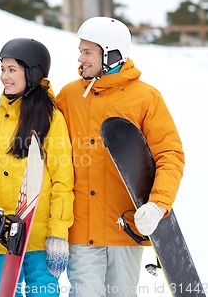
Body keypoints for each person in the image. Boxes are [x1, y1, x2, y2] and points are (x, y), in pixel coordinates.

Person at [55, 17, 185, 297]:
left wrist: (158, 204)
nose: (80, 58)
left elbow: (170, 154)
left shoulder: (145, 98)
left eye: (87, 52)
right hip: (81, 230)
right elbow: (43, 138)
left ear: (111, 54)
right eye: (81, 50)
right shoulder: (69, 95)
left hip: (124, 229)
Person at [0, 38, 75, 296]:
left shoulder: (51, 119)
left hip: (39, 238)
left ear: (32, 73)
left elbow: (63, 181)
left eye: (12, 70)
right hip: (1, 235)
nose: (4, 77)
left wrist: (57, 233)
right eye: (3, 69)